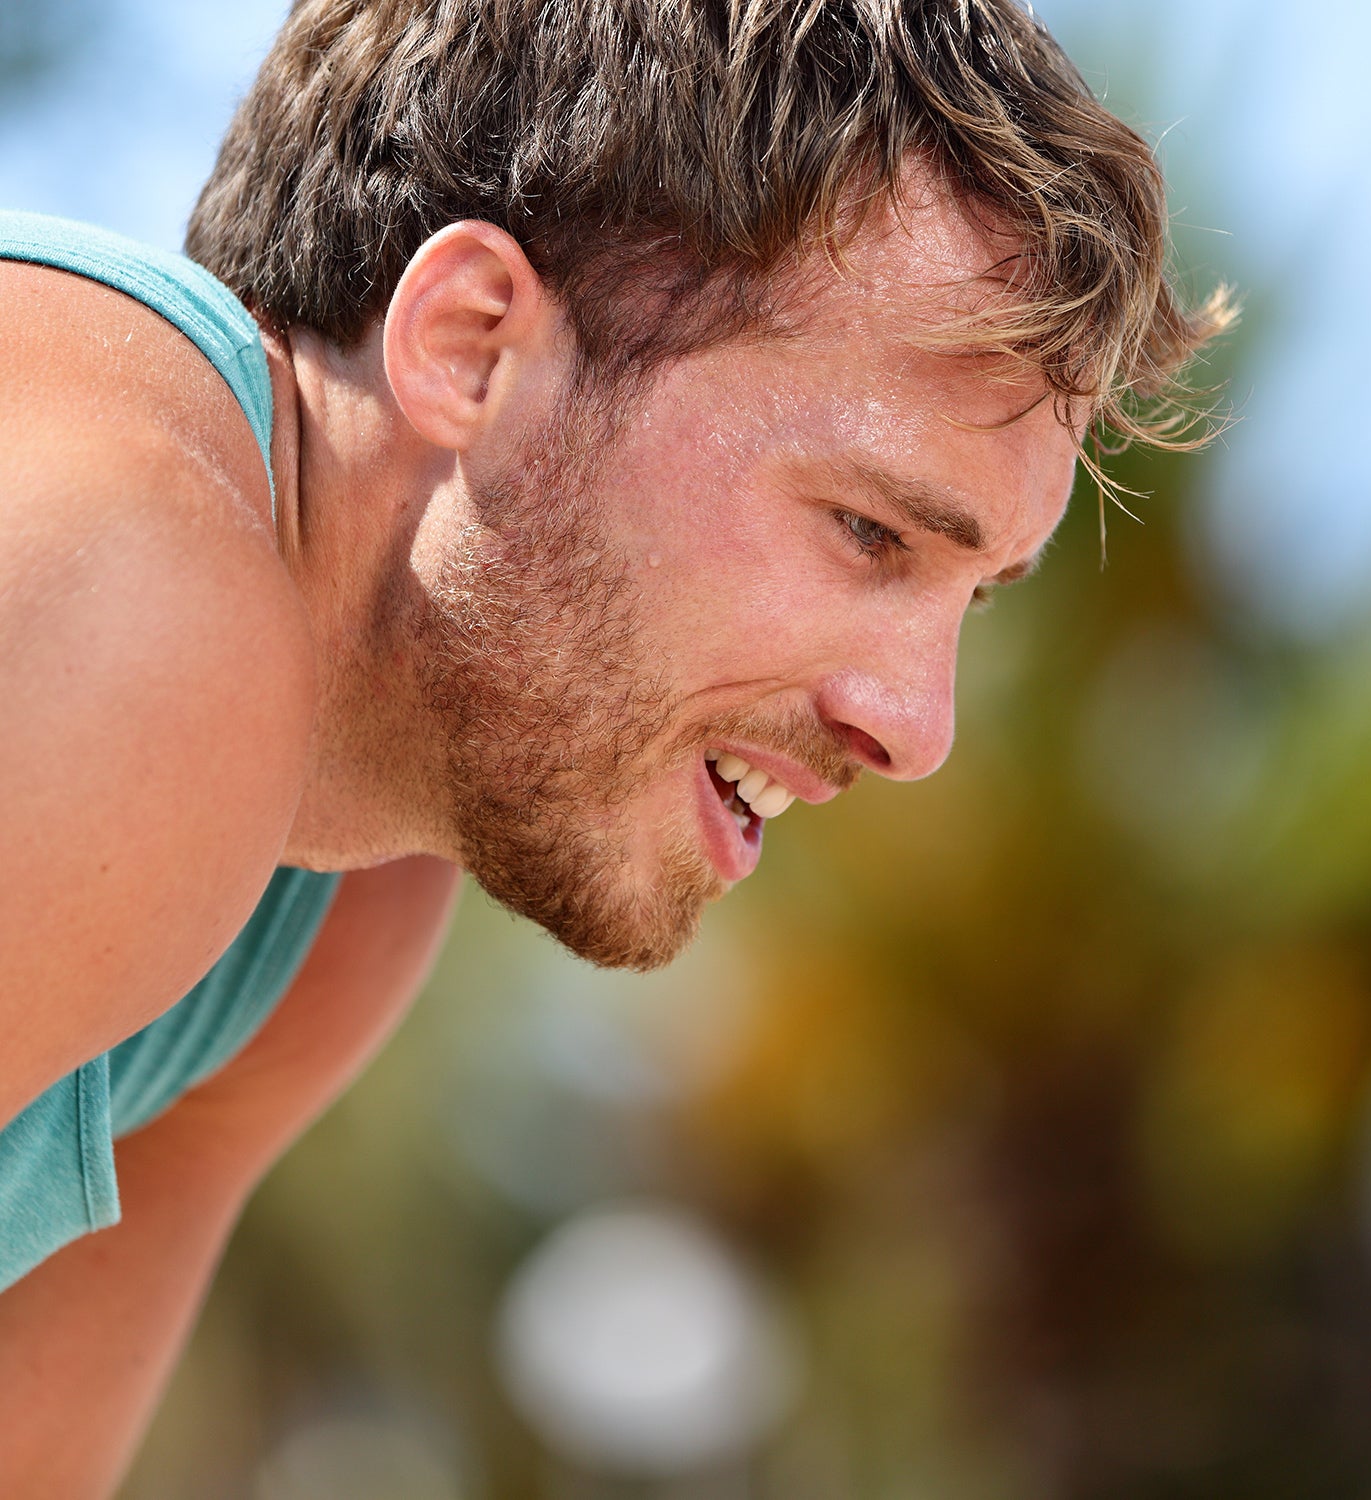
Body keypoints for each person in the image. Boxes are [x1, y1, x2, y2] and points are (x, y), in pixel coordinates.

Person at [0, 0, 1231, 1490]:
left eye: (973, 597)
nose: (919, 730)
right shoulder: (131, 597)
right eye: (868, 530)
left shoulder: (336, 900)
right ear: (474, 354)